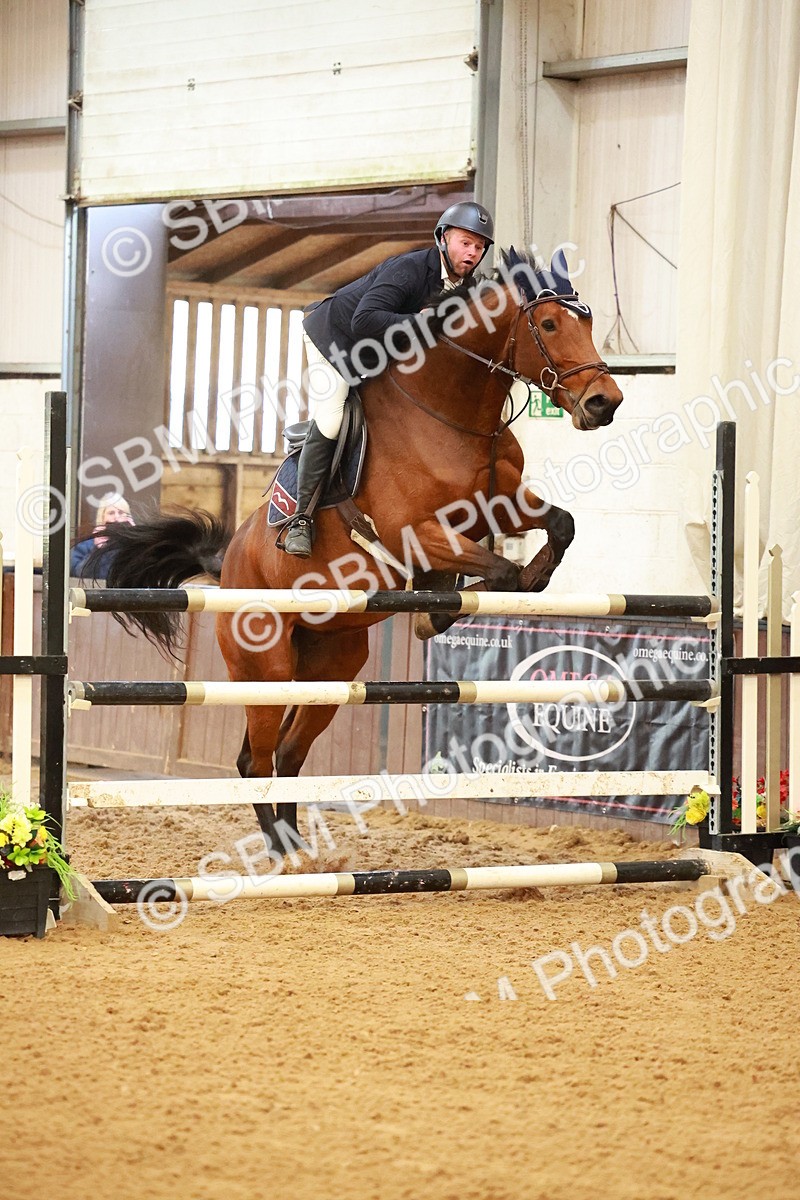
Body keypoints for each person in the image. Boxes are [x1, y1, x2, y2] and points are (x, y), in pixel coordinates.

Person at [282, 201, 495, 557]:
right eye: (465, 242)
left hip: (381, 350)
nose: (472, 252)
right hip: (333, 338)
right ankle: (300, 519)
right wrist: (419, 321)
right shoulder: (409, 269)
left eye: (478, 247)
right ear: (443, 239)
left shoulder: (465, 287)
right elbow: (363, 321)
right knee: (333, 418)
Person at [70, 493, 135, 579]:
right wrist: (97, 549)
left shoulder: (134, 543)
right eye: (111, 513)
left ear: (128, 517)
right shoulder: (87, 544)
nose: (116, 517)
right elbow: (77, 573)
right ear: (102, 517)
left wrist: (135, 538)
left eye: (121, 512)